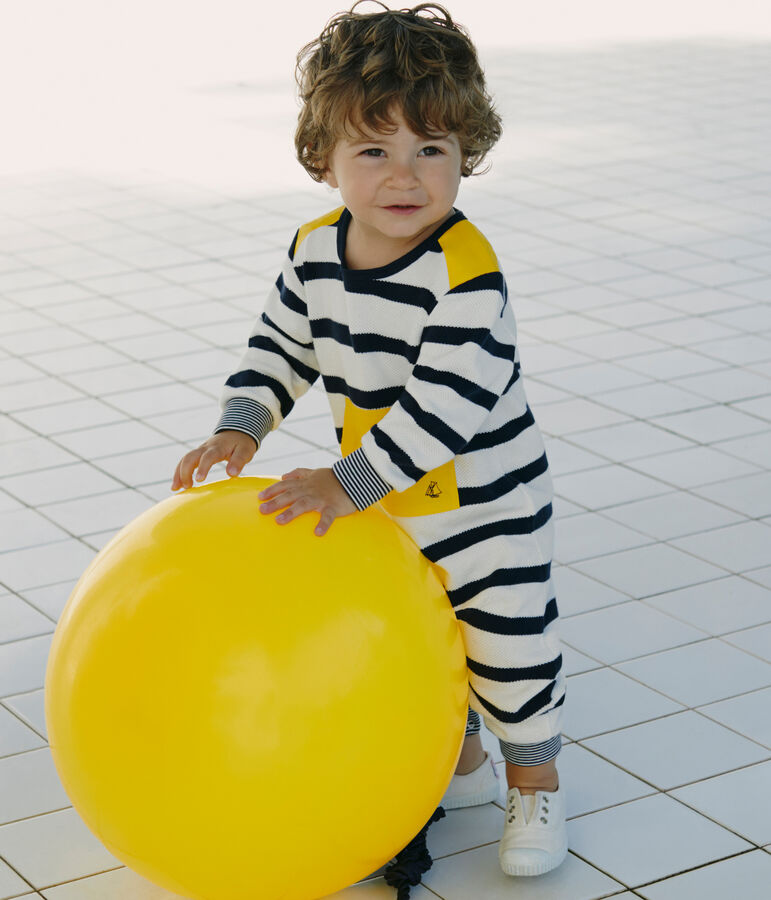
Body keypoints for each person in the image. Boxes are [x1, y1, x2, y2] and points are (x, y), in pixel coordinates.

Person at [171, 0, 567, 878]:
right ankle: (455, 760)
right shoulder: (315, 251)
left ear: (468, 153)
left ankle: (533, 778)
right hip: (387, 493)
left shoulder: (466, 274)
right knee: (421, 633)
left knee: (505, 641)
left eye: (432, 150)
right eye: (373, 151)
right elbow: (280, 346)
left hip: (483, 503)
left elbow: (440, 412)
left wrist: (343, 484)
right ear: (325, 160)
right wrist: (239, 429)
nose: (405, 176)